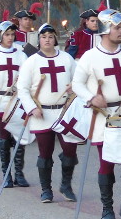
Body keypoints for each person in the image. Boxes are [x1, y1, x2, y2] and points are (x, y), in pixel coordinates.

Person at [72, 9, 121, 219]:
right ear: (105, 29)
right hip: (103, 116)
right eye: (116, 27)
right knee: (107, 163)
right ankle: (107, 208)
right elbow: (77, 83)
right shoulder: (90, 56)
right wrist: (91, 97)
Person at [19, 23, 77, 201]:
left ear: (55, 39)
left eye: (51, 37)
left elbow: (79, 81)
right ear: (39, 40)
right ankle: (46, 189)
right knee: (45, 152)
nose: (47, 40)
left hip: (64, 111)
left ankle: (66, 185)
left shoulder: (67, 59)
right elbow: (22, 89)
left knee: (70, 150)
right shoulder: (32, 62)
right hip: (41, 112)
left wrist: (73, 88)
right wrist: (32, 108)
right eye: (44, 37)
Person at [0, 20, 29, 188]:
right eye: (7, 34)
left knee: (19, 137)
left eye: (12, 34)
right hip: (1, 102)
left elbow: (26, 76)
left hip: (18, 101)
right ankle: (6, 174)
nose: (10, 38)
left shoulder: (21, 54)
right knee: (4, 137)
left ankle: (19, 173)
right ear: (1, 35)